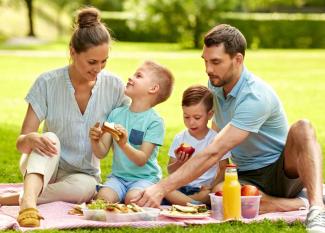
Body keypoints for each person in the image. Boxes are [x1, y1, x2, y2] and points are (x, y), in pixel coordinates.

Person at [134, 24, 325, 233]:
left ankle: (316, 208)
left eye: (216, 62)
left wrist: (161, 188)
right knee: (219, 196)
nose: (208, 69)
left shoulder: (254, 96)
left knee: (303, 127)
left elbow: (216, 149)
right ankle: (296, 203)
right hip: (246, 174)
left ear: (238, 60)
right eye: (206, 61)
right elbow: (217, 131)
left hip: (281, 170)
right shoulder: (215, 85)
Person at [0, 7, 129, 227]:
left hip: (82, 175)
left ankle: (14, 199)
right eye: (92, 62)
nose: (98, 68)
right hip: (42, 164)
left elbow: (130, 123)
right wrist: (30, 139)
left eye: (104, 61)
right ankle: (28, 204)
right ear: (72, 52)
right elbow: (21, 143)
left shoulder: (114, 87)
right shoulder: (47, 83)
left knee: (87, 189)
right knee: (49, 138)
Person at [89, 60, 174, 204]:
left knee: (133, 200)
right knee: (102, 200)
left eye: (138, 76)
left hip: (144, 179)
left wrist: (123, 144)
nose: (130, 77)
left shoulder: (155, 122)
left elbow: (141, 159)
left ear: (153, 88)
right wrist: (95, 140)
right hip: (118, 178)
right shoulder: (116, 114)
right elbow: (101, 153)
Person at [163, 85, 230, 205]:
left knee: (219, 191)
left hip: (205, 189)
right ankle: (196, 204)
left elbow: (224, 168)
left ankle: (190, 202)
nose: (191, 122)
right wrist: (179, 162)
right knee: (164, 188)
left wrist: (210, 187)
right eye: (186, 117)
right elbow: (170, 171)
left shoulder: (216, 139)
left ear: (210, 115)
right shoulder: (180, 138)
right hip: (181, 188)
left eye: (197, 117)